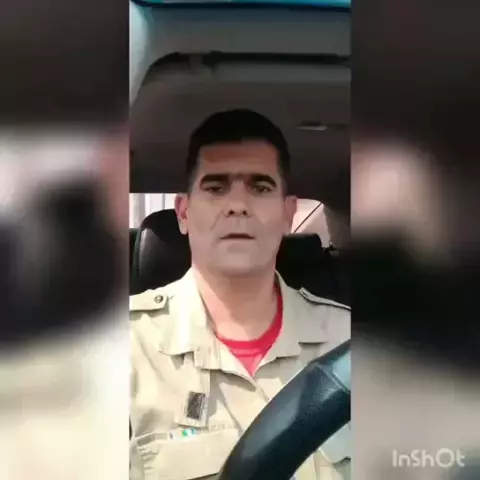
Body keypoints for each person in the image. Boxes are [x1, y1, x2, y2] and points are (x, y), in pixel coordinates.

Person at [130, 109, 351, 479]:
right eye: (215, 188)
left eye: (260, 188)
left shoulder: (351, 343)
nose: (238, 205)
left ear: (288, 213)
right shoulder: (120, 351)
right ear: (183, 213)